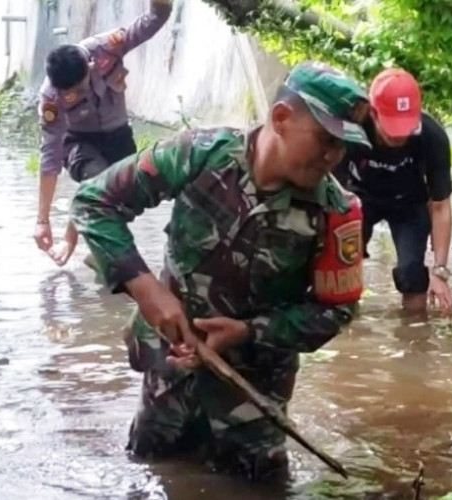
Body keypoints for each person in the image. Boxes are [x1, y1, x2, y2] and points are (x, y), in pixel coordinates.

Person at [70, 61, 372, 480]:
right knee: (152, 473)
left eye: (342, 146)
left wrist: (250, 332)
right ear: (282, 119)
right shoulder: (199, 155)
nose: (333, 156)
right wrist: (145, 289)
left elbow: (336, 311)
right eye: (325, 140)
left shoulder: (336, 212)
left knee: (257, 488)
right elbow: (94, 202)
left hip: (252, 395)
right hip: (170, 374)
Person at [33, 0, 172, 267]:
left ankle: (98, 253)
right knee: (97, 178)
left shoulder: (107, 46)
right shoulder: (51, 97)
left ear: (90, 65)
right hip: (78, 141)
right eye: (70, 91)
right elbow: (50, 156)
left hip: (118, 134)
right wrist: (42, 220)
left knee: (125, 194)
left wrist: (160, 6)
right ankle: (73, 242)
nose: (79, 92)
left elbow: (152, 21)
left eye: (80, 85)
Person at [334, 67, 452, 317]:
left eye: (406, 127)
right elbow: (330, 191)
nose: (399, 136)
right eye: (392, 127)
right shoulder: (350, 129)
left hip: (409, 203)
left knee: (413, 273)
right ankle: (346, 325)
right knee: (342, 264)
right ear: (373, 113)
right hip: (358, 199)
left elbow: (441, 206)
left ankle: (414, 334)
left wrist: (440, 272)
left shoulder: (432, 137)